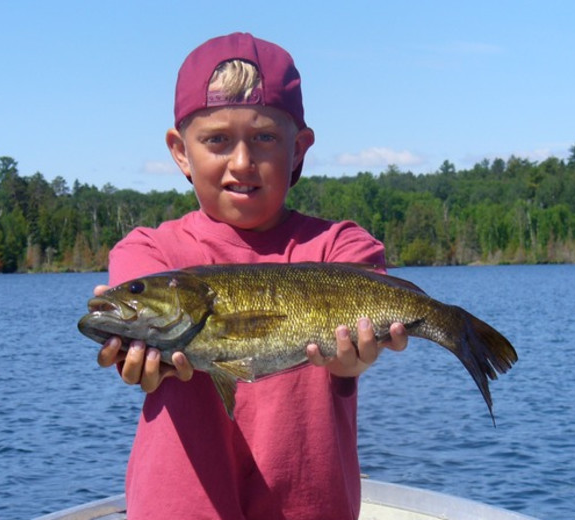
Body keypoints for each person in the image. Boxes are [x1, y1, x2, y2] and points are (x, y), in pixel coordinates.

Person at [94, 32, 408, 520]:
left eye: (264, 138)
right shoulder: (149, 251)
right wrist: (128, 348)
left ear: (299, 148)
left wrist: (351, 363)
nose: (241, 162)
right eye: (216, 140)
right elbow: (138, 325)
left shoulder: (342, 248)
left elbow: (363, 326)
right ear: (180, 151)